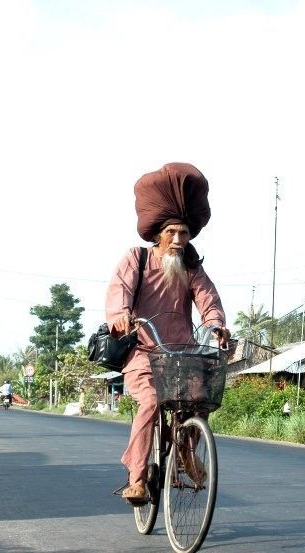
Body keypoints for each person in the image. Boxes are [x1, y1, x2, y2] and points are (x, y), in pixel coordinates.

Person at [105, 162, 230, 504]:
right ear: (158, 233)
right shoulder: (137, 259)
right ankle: (137, 477)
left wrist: (216, 324)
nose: (177, 240)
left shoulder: (191, 268)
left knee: (200, 399)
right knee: (150, 401)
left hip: (181, 356)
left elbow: (208, 299)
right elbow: (119, 293)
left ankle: (187, 453)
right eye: (172, 232)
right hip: (143, 353)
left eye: (184, 233)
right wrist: (121, 317)